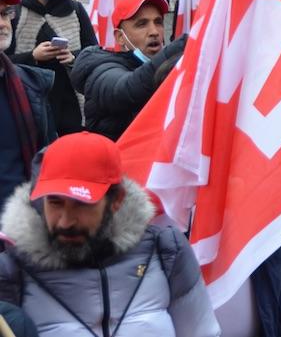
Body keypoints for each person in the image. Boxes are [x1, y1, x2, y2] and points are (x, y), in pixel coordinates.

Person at [0, 132, 221, 335]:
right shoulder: (12, 269)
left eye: (81, 204)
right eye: (55, 203)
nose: (65, 222)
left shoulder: (166, 250)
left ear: (117, 200)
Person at [69, 0, 185, 141]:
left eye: (158, 22)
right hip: (116, 161)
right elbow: (127, 89)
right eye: (142, 24)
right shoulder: (100, 69)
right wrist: (186, 42)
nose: (154, 32)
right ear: (120, 37)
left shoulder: (171, 64)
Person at [7, 0, 97, 136]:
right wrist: (33, 56)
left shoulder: (75, 9)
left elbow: (94, 52)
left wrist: (73, 58)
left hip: (71, 100)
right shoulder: (14, 12)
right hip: (30, 98)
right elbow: (5, 60)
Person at [0, 0, 54, 206]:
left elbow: (47, 159)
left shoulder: (30, 86)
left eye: (5, 14)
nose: (2, 24)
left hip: (20, 225)